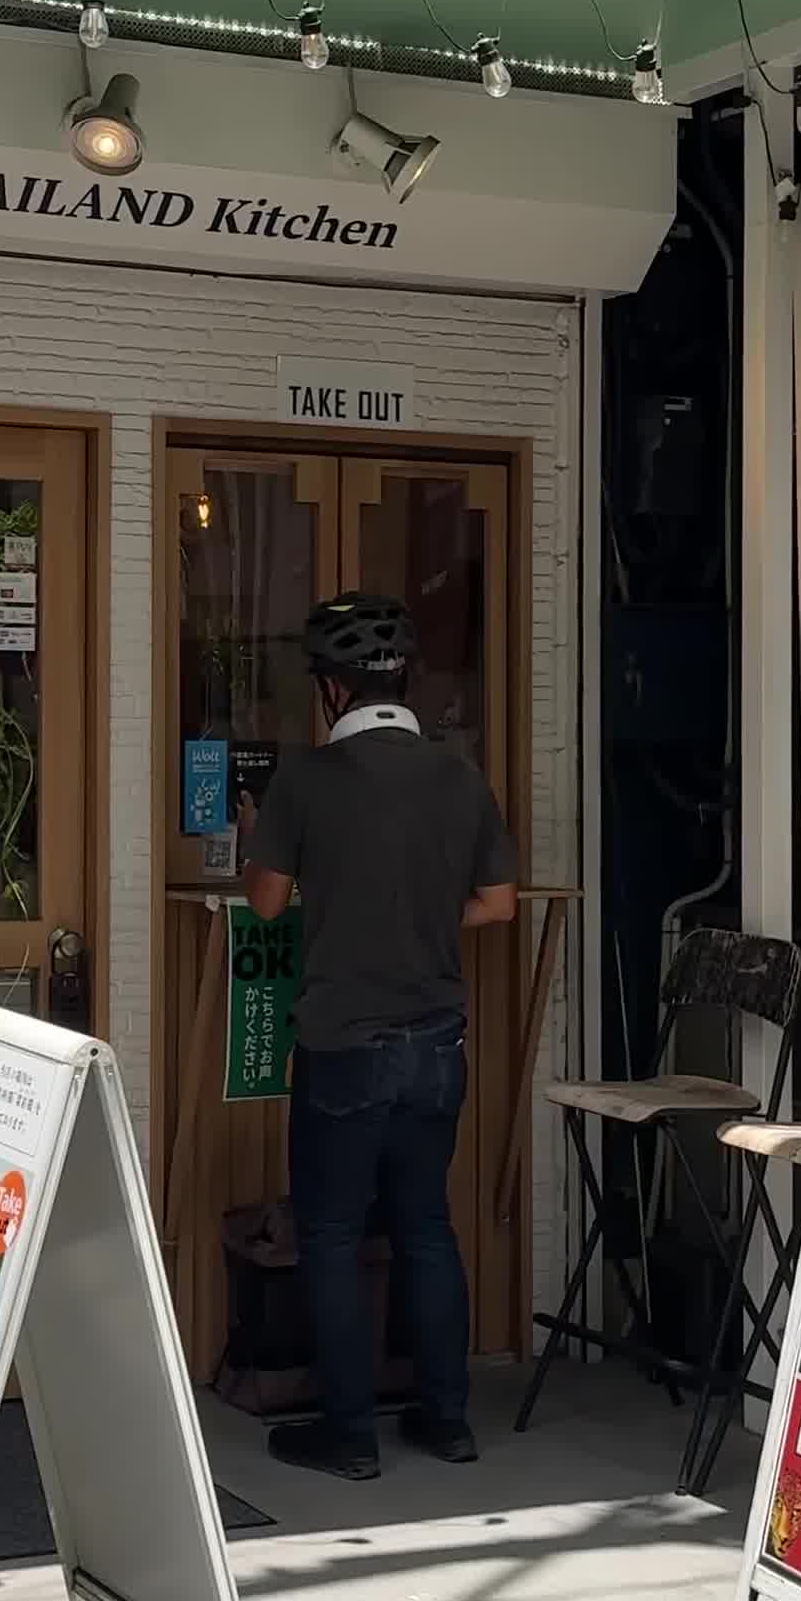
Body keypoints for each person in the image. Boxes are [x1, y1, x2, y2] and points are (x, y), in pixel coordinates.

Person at [241, 592, 519, 1483]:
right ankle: (447, 1421)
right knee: (426, 1225)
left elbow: (266, 903)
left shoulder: (306, 780)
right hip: (438, 1045)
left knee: (330, 1235)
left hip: (344, 1046)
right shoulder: (460, 778)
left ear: (332, 688)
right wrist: (423, 918)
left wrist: (252, 835)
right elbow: (499, 904)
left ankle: (350, 1434)